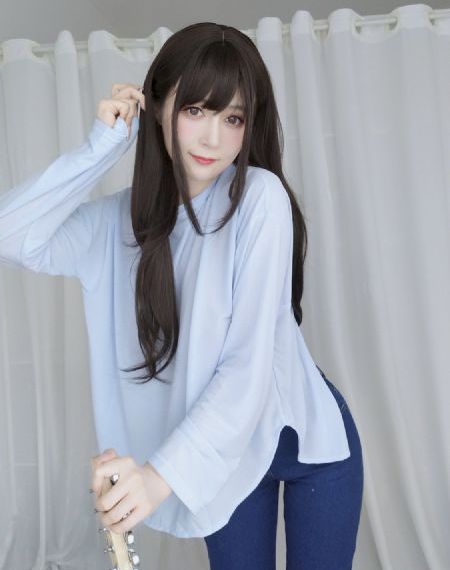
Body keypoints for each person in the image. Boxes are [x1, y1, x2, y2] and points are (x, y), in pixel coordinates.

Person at [0, 21, 364, 569]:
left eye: (233, 118)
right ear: (158, 108)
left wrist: (158, 477)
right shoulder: (115, 225)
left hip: (309, 445)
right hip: (225, 460)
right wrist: (102, 147)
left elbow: (244, 372)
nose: (214, 138)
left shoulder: (258, 199)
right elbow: (11, 234)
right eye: (195, 110)